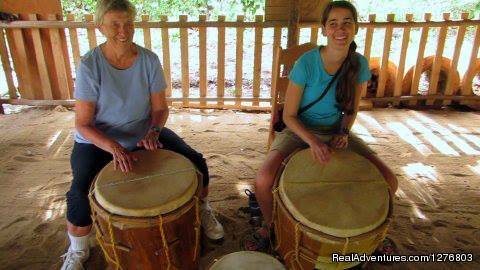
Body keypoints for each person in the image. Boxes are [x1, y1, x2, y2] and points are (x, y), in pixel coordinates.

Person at [61, 1, 224, 269]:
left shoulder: (148, 60)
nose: (123, 31)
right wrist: (113, 147)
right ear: (100, 26)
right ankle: (77, 249)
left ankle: (203, 209)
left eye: (128, 23)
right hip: (98, 140)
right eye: (115, 24)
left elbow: (160, 109)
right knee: (79, 192)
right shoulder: (90, 64)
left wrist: (154, 131)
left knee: (196, 160)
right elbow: (83, 124)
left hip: (142, 132)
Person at [247, 0, 398, 251]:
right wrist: (313, 142)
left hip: (335, 130)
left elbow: (351, 109)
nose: (340, 29)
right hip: (300, 131)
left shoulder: (359, 64)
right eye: (333, 23)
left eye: (347, 22)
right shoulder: (306, 63)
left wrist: (343, 130)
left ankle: (365, 229)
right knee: (263, 180)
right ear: (324, 29)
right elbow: (289, 117)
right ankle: (273, 226)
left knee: (389, 180)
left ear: (356, 27)